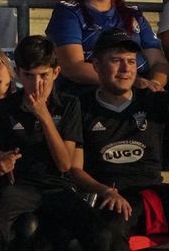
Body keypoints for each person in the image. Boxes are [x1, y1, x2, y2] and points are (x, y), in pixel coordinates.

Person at [0, 35, 94, 251]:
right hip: (22, 186)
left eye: (44, 75)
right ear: (18, 73)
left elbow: (64, 165)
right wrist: (2, 164)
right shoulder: (5, 108)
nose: (37, 84)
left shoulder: (68, 105)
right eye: (29, 76)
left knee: (99, 232)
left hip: (58, 187)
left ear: (56, 72)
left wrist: (44, 116)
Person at [69, 29, 169, 244]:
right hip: (111, 196)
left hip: (153, 193)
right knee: (107, 233)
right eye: (116, 60)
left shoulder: (153, 101)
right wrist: (105, 190)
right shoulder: (80, 106)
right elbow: (74, 169)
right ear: (96, 65)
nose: (125, 69)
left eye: (131, 61)